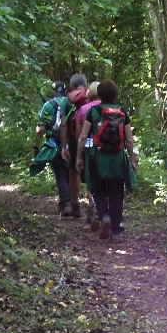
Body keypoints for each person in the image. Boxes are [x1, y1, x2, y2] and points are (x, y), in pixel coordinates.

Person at [76, 80, 138, 243]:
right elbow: (129, 139)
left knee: (99, 190)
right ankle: (116, 231)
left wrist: (79, 157)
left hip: (98, 158)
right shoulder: (122, 111)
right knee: (117, 193)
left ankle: (104, 216)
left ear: (99, 94)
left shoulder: (94, 111)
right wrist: (132, 157)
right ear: (115, 94)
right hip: (118, 159)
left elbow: (83, 137)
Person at [34, 80, 74, 216]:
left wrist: (36, 146)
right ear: (65, 91)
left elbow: (40, 129)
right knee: (70, 173)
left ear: (53, 91)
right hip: (72, 143)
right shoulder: (71, 104)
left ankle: (67, 203)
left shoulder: (47, 106)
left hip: (54, 144)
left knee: (60, 173)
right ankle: (69, 203)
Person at [71, 79, 104, 230]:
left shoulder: (83, 110)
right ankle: (104, 210)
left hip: (89, 148)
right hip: (107, 148)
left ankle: (94, 205)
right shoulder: (110, 108)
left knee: (91, 179)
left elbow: (80, 135)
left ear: (89, 93)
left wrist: (78, 155)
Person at [62, 74, 91, 220]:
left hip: (74, 140)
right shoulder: (91, 95)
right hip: (91, 140)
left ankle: (75, 205)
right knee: (92, 172)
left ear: (71, 86)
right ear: (86, 84)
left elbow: (63, 124)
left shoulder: (68, 100)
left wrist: (63, 145)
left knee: (73, 172)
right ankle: (93, 206)